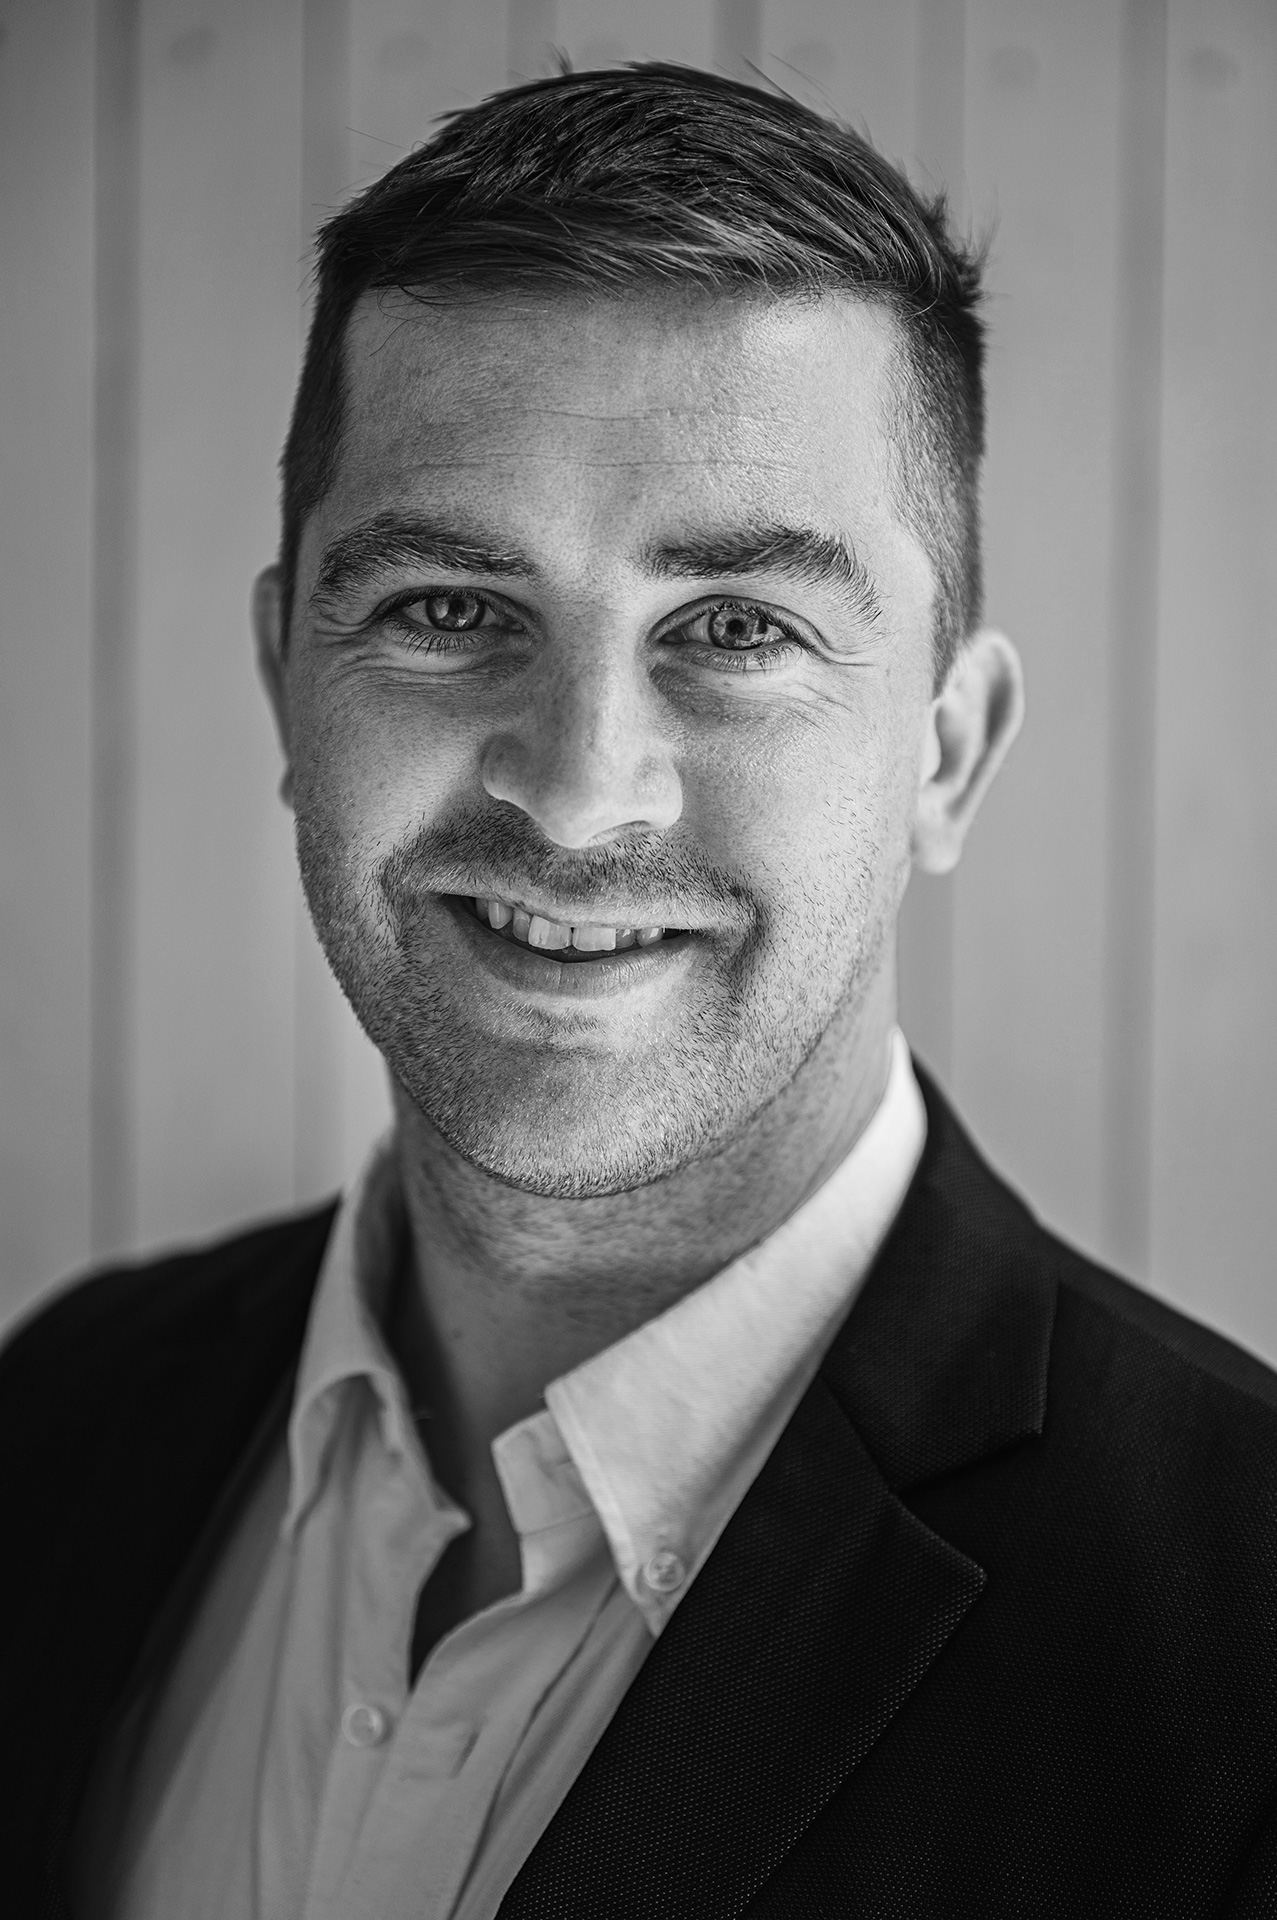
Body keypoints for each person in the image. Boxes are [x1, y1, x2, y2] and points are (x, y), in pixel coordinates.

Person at [5, 61, 1277, 1920]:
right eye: (448, 608)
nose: (580, 787)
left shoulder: (1237, 1650)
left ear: (945, 753)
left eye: (738, 630)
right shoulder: (60, 1427)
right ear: (291, 684)